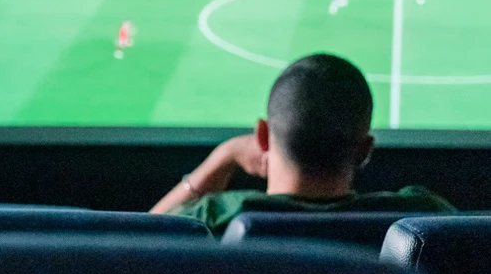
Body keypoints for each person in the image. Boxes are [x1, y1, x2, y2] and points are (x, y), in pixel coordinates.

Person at [151, 53, 454, 234]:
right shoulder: (421, 216)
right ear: (364, 150)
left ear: (262, 136)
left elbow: (137, 240)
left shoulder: (215, 217)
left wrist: (224, 156)